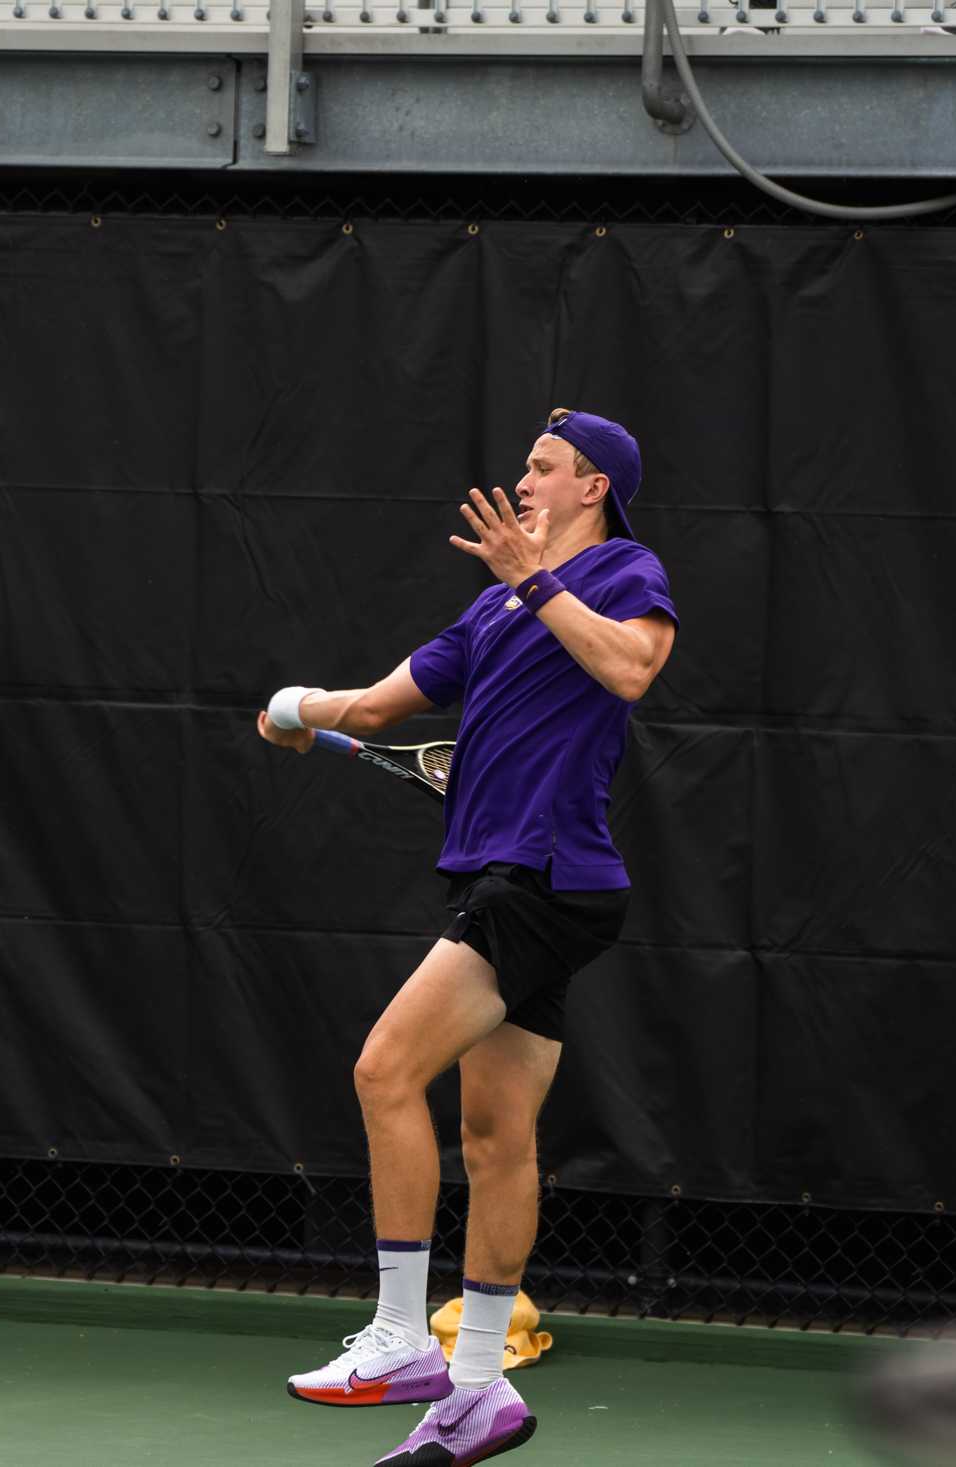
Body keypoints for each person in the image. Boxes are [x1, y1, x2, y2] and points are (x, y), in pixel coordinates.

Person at [256, 409, 678, 1465]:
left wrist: (539, 582)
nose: (521, 483)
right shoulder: (487, 609)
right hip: (509, 879)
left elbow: (629, 672)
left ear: (593, 488)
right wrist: (297, 705)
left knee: (384, 1071)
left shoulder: (626, 572)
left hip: (545, 877)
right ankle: (478, 1390)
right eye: (524, 467)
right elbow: (378, 706)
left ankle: (404, 1337)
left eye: (543, 470)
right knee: (494, 1139)